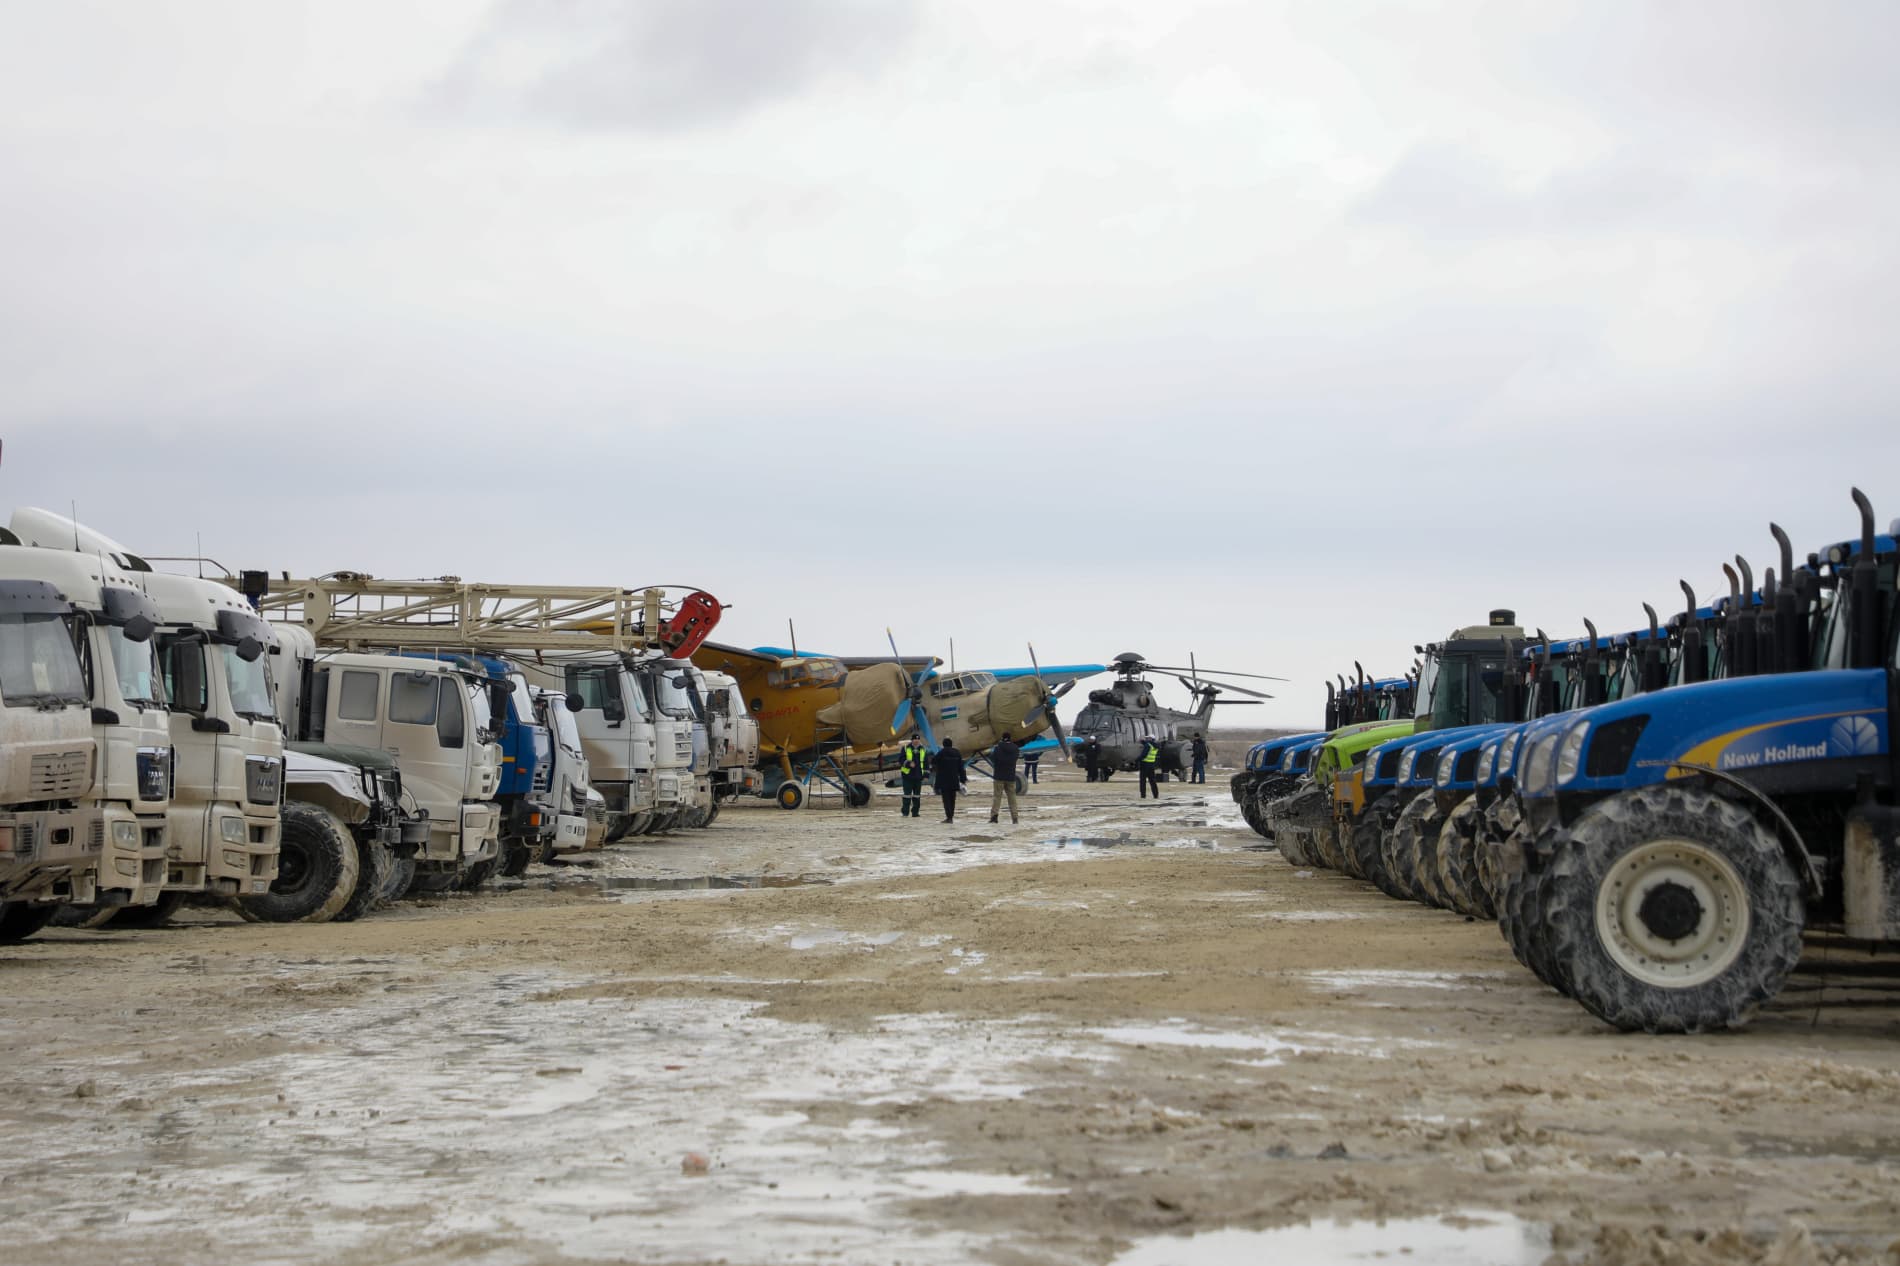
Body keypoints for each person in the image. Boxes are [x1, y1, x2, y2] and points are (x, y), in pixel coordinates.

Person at [988, 732, 1022, 824]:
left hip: (999, 776)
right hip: (1010, 776)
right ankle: (1015, 818)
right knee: (1012, 798)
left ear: (1002, 738)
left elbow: (993, 758)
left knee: (997, 797)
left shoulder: (998, 748)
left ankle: (994, 817)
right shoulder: (1015, 749)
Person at [932, 737, 968, 823]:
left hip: (944, 780)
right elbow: (961, 768)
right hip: (954, 780)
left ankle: (949, 817)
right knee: (952, 799)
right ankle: (951, 816)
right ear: (951, 744)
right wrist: (963, 779)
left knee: (946, 799)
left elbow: (933, 761)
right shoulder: (957, 753)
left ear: (943, 744)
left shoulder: (942, 752)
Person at [897, 735, 930, 818]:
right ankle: (905, 813)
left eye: (918, 739)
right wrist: (908, 764)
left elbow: (926, 763)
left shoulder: (923, 749)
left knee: (917, 796)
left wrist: (926, 775)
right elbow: (901, 760)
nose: (916, 741)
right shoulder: (905, 748)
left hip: (918, 776)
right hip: (907, 776)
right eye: (915, 739)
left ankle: (915, 813)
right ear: (912, 740)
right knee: (907, 795)